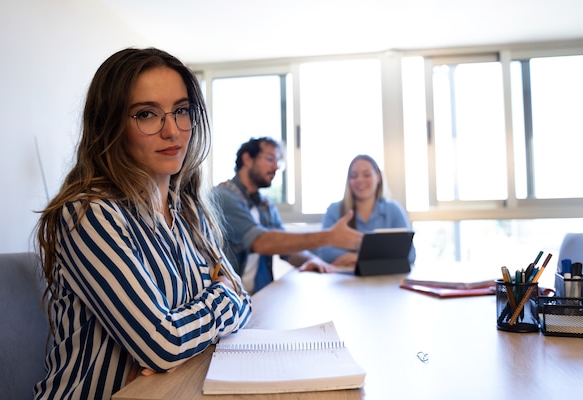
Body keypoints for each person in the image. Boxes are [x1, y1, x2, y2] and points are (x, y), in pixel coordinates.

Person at [33, 48, 252, 400]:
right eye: (147, 114)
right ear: (111, 125)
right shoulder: (91, 214)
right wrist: (219, 298)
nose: (172, 131)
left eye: (181, 111)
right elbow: (163, 346)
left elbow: (243, 298)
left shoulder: (189, 212)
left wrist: (187, 330)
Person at [213, 137, 363, 294]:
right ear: (247, 159)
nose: (276, 167)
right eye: (270, 159)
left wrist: (313, 260)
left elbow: (287, 248)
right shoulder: (223, 197)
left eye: (278, 162)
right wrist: (329, 237)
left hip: (258, 296)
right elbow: (261, 242)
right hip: (228, 300)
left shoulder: (265, 204)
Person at [317, 154, 416, 267]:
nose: (360, 180)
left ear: (378, 177)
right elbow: (324, 253)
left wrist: (359, 258)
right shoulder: (334, 211)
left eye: (366, 174)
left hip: (385, 280)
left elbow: (410, 254)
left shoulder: (393, 210)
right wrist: (382, 257)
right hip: (345, 280)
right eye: (354, 176)